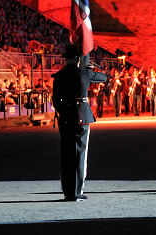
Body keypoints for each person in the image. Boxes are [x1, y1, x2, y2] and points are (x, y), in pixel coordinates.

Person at [52, 44, 107, 202]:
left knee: (67, 154)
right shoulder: (85, 72)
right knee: (80, 154)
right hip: (82, 116)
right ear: (78, 60)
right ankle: (77, 191)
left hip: (66, 117)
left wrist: (66, 111)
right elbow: (104, 78)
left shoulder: (59, 75)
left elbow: (56, 100)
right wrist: (89, 68)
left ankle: (68, 192)